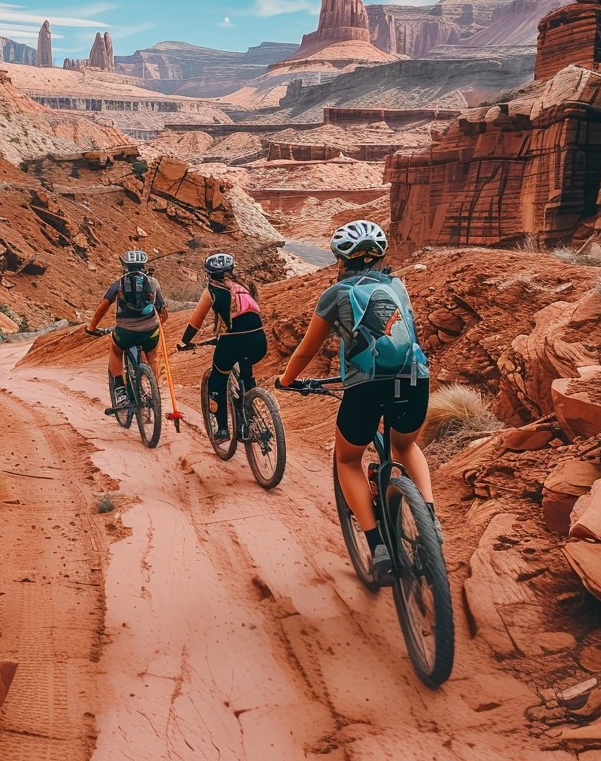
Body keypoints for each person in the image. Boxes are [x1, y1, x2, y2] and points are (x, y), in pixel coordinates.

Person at [276, 218, 431, 580]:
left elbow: (305, 351)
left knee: (348, 459)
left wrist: (286, 381)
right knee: (406, 447)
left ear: (339, 260)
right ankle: (430, 525)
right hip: (412, 379)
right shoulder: (398, 285)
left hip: (366, 386)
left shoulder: (335, 295)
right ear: (378, 257)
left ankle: (378, 548)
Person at [179, 251, 268, 437]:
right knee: (246, 370)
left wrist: (184, 341)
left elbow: (195, 322)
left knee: (217, 380)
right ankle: (250, 414)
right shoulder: (245, 285)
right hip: (259, 341)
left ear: (209, 273)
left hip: (232, 342)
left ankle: (222, 429)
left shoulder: (211, 290)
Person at [85, 248, 165, 410]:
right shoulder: (153, 283)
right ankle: (155, 391)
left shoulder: (119, 283)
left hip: (125, 332)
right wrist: (157, 326)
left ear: (125, 266)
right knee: (153, 355)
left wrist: (92, 327)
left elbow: (103, 306)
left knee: (115, 350)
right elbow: (163, 311)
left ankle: (120, 390)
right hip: (150, 331)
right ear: (143, 266)